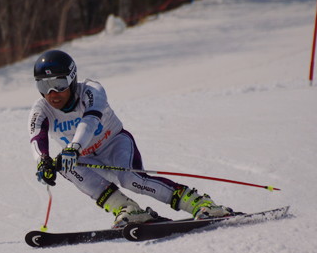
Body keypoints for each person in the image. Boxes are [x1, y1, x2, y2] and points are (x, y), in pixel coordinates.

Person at [28, 49, 232, 228]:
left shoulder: (91, 90)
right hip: (85, 157)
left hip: (114, 143)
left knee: (132, 179)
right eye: (44, 86)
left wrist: (74, 147)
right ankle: (129, 210)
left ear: (72, 79)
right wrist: (42, 162)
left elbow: (89, 121)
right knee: (64, 165)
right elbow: (37, 138)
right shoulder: (41, 109)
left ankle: (200, 203)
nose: (52, 93)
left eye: (59, 83)